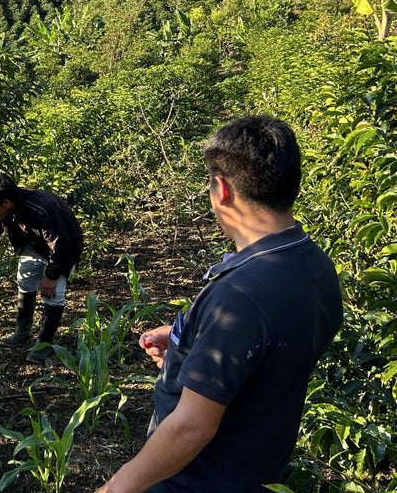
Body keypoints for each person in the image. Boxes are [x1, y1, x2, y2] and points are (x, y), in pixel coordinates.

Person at [96, 115, 343, 493]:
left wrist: (115, 488)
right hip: (257, 470)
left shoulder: (240, 295)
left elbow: (190, 428)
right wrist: (190, 345)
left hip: (196, 480)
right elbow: (269, 354)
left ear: (222, 189)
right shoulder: (314, 265)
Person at [0, 172, 83, 363]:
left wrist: (51, 275)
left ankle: (44, 343)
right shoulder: (4, 208)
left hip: (65, 248)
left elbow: (60, 245)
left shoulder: (43, 209)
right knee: (25, 281)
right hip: (33, 245)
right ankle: (23, 330)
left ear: (7, 203)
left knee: (53, 292)